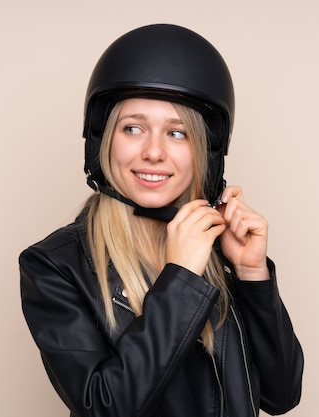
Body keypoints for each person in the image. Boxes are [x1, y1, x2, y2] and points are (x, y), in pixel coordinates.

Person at [19, 23, 303, 417]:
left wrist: (251, 273)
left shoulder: (221, 252)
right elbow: (106, 407)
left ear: (205, 152)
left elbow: (281, 395)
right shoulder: (54, 265)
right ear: (102, 140)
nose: (154, 152)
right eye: (133, 128)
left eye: (177, 133)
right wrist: (181, 276)